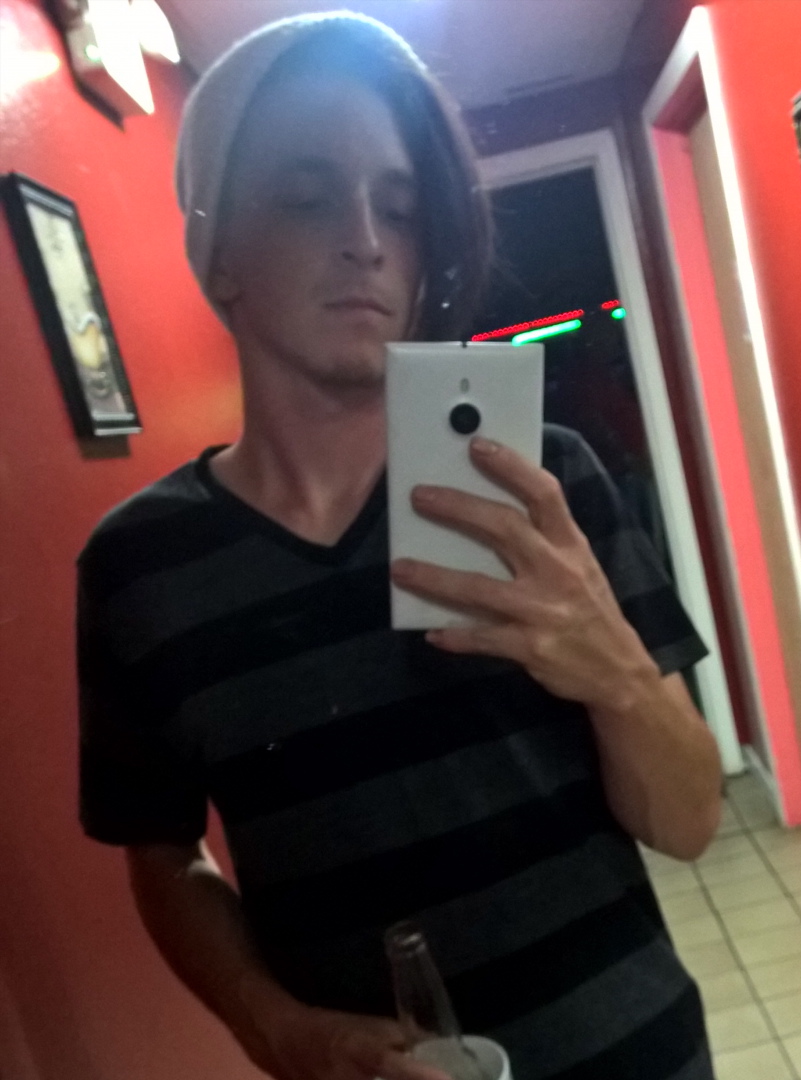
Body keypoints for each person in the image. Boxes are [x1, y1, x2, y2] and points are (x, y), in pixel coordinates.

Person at [76, 13, 722, 1080]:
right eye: (308, 197)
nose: (368, 240)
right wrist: (272, 1026)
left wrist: (612, 668)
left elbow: (690, 822)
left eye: (404, 207)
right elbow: (163, 851)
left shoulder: (542, 482)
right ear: (219, 251)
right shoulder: (137, 570)